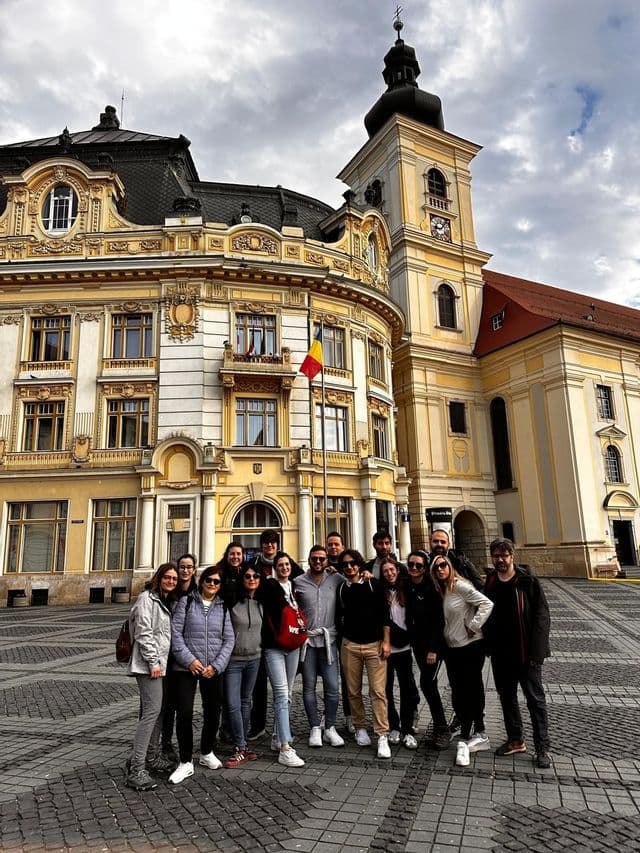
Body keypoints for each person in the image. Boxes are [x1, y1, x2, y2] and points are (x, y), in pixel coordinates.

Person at [483, 538, 552, 769]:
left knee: (535, 700)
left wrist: (537, 651)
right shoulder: (491, 580)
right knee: (507, 698)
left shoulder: (527, 581)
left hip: (526, 653)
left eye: (504, 555)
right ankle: (516, 740)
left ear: (512, 556)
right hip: (501, 654)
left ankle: (542, 748)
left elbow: (542, 616)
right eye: (496, 555)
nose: (500, 560)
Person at [168, 565, 235, 784]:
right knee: (185, 712)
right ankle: (185, 761)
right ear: (201, 580)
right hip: (187, 667)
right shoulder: (186, 603)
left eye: (217, 582)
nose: (212, 585)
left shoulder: (223, 608)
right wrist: (190, 661)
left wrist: (216, 665)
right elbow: (175, 634)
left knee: (213, 711)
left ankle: (206, 751)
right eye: (209, 580)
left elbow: (229, 639)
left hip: (212, 668)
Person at [431, 555, 493, 766]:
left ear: (450, 567)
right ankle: (466, 731)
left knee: (472, 689)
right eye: (436, 567)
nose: (440, 569)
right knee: (458, 690)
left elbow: (486, 604)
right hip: (453, 648)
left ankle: (478, 732)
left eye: (443, 565)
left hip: (470, 647)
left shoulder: (460, 585)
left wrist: (473, 626)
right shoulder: (443, 589)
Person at [125, 562, 178, 791]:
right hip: (150, 666)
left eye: (174, 579)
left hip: (160, 665)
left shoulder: (163, 600)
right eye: (167, 577)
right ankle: (136, 768)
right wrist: (153, 661)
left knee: (157, 712)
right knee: (150, 713)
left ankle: (152, 757)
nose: (171, 581)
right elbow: (143, 633)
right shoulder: (147, 599)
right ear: (159, 577)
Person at [337, 548, 391, 759]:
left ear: (359, 565)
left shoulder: (373, 584)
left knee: (378, 692)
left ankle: (382, 734)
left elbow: (384, 615)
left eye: (352, 563)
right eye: (345, 565)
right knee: (353, 690)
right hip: (350, 645)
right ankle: (360, 726)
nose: (349, 567)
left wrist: (386, 641)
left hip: (374, 645)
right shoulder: (342, 588)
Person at [248, 530, 302, 740]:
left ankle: (281, 733)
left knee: (284, 691)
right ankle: (260, 726)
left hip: (286, 638)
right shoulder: (254, 566)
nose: (269, 545)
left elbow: (303, 578)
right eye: (266, 542)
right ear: (261, 545)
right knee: (260, 685)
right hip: (263, 637)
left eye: (273, 542)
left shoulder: (288, 565)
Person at [294, 545, 345, 748]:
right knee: (309, 686)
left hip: (328, 641)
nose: (318, 562)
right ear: (308, 559)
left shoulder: (336, 579)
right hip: (308, 642)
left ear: (327, 561)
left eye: (322, 559)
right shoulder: (298, 582)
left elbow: (353, 583)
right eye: (314, 558)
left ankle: (330, 727)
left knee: (332, 687)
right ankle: (315, 727)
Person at [261, 551, 306, 767]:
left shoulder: (295, 586)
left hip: (293, 644)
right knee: (280, 693)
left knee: (287, 693)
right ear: (274, 567)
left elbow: (301, 571)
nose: (285, 568)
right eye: (280, 564)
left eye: (288, 564)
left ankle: (277, 738)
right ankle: (285, 748)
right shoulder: (269, 586)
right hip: (274, 646)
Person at [405, 549, 450, 749]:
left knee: (427, 683)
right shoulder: (407, 585)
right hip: (417, 644)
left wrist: (434, 649)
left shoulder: (431, 589)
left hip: (433, 646)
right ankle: (440, 726)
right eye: (411, 565)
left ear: (425, 568)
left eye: (419, 565)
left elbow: (439, 621)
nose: (414, 568)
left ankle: (442, 728)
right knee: (428, 685)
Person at [223, 566, 263, 768]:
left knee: (246, 701)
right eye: (247, 576)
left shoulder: (261, 603)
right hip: (233, 661)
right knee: (232, 703)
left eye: (255, 576)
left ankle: (243, 745)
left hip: (254, 659)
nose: (251, 579)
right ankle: (239, 746)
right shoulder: (231, 603)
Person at [161, 552, 197, 765]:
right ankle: (164, 743)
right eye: (181, 566)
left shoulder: (197, 593)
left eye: (188, 567)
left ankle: (178, 746)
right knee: (166, 704)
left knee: (183, 705)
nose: (184, 570)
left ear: (194, 570)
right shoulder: (169, 591)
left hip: (186, 657)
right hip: (166, 656)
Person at [380, 557, 419, 749]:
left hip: (404, 647)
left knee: (407, 689)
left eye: (392, 570)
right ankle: (393, 726)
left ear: (397, 570)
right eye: (385, 571)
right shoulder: (380, 591)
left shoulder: (407, 589)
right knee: (386, 689)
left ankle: (408, 729)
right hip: (386, 648)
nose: (389, 573)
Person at [217, 541, 246, 605]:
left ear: (242, 556)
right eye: (232, 554)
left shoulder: (247, 572)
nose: (235, 557)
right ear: (227, 555)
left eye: (238, 554)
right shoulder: (218, 572)